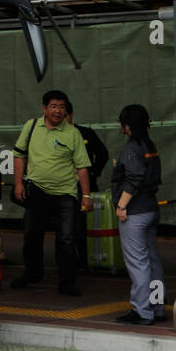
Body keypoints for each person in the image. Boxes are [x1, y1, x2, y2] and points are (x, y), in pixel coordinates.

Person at [11, 89, 91, 296]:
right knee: (31, 236)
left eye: (62, 107)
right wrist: (18, 184)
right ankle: (32, 274)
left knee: (66, 239)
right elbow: (19, 155)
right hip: (36, 191)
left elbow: (82, 167)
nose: (58, 111)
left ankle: (66, 282)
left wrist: (86, 195)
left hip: (65, 194)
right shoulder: (31, 127)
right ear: (44, 109)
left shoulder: (73, 133)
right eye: (54, 106)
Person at [111, 104, 166, 325]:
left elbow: (134, 178)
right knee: (152, 260)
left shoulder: (132, 148)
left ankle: (142, 311)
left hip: (135, 212)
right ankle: (157, 307)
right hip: (151, 208)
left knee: (137, 262)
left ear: (126, 125)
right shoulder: (149, 145)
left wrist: (122, 206)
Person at [66, 100, 109, 273]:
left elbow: (103, 154)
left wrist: (94, 172)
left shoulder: (85, 133)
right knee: (70, 226)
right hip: (65, 186)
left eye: (66, 115)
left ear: (71, 114)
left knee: (83, 225)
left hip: (85, 186)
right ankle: (73, 260)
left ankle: (86, 260)